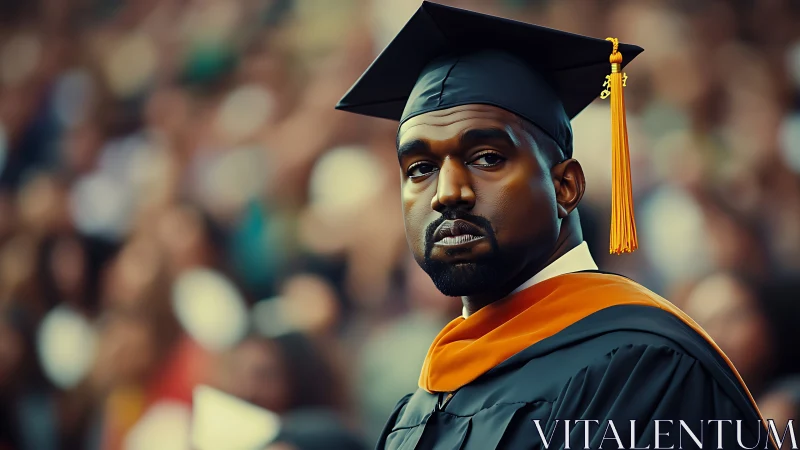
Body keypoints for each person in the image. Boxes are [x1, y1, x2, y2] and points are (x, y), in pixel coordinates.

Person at [335, 3, 775, 449]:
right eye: (419, 167)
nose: (447, 192)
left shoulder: (647, 368)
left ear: (565, 187)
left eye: (487, 157)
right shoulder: (420, 406)